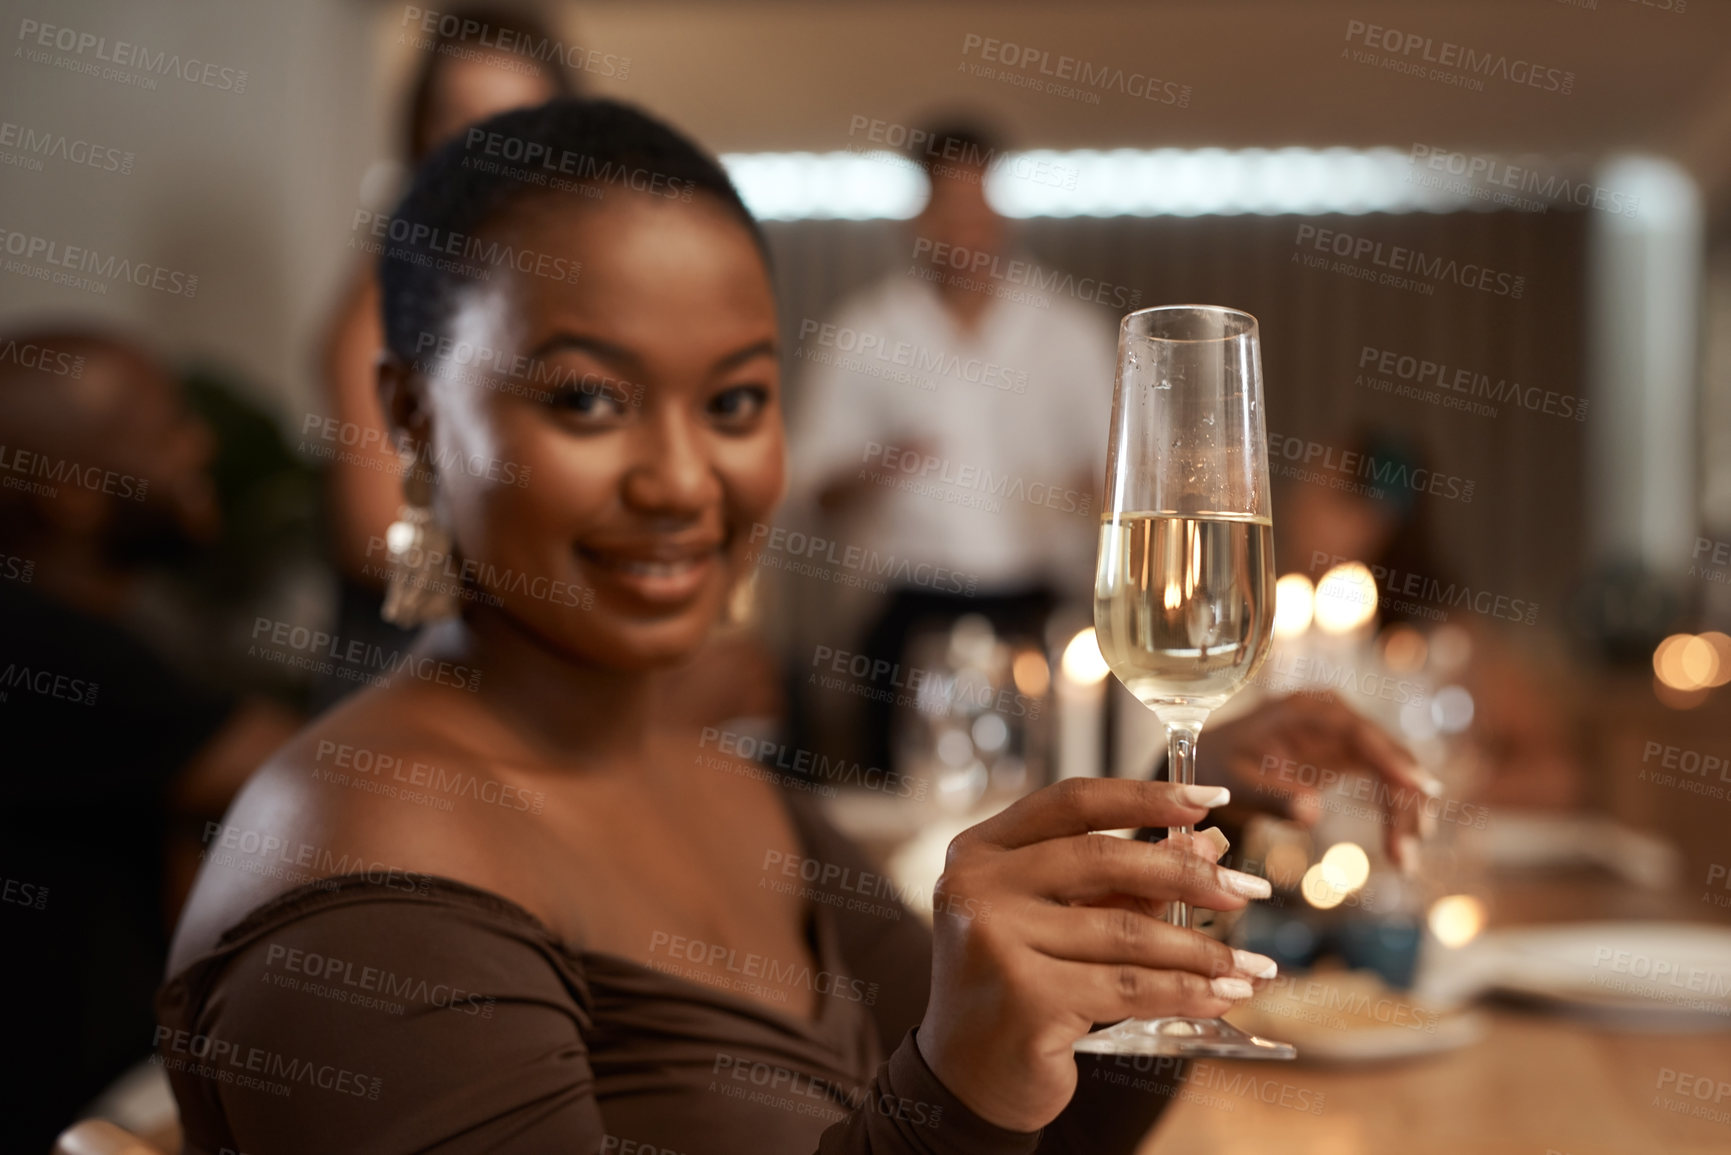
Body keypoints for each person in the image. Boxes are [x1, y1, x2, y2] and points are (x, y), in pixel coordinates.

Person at [158, 99, 1431, 1152]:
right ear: (414, 412)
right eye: (590, 400)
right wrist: (964, 1085)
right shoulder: (364, 888)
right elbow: (955, 1111)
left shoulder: (735, 791)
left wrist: (1195, 830)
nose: (679, 479)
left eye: (734, 400)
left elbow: (1032, 1124)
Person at [0, 329, 297, 1151]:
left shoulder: (101, 625)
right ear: (70, 494)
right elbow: (301, 778)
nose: (200, 444)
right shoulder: (40, 645)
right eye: (165, 431)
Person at [787, 120, 1115, 773]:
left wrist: (1086, 486)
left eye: (979, 200)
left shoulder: (1068, 330)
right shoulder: (865, 331)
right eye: (949, 203)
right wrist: (876, 465)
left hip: (1039, 602)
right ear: (919, 215)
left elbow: (1124, 467)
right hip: (909, 609)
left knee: (1050, 778)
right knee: (895, 783)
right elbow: (809, 484)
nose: (966, 222)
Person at [312, 6, 575, 709]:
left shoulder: (569, 289)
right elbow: (375, 541)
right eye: (457, 119)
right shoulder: (383, 298)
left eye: (514, 122)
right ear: (419, 136)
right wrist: (566, 594)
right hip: (412, 678)